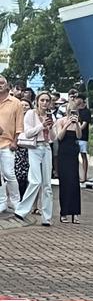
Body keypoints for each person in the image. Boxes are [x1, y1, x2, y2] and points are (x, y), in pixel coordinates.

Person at [15, 92, 55, 225]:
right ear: (37, 101)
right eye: (42, 100)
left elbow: (53, 138)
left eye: (47, 101)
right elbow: (28, 133)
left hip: (46, 147)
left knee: (47, 185)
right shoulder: (31, 114)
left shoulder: (50, 115)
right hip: (34, 147)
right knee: (35, 180)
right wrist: (41, 125)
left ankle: (47, 217)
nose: (44, 103)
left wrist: (50, 127)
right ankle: (21, 210)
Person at [0, 74, 24, 214]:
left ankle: (15, 202)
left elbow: (19, 125)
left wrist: (15, 141)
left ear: (7, 85)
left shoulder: (16, 103)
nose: (0, 84)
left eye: (2, 82)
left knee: (9, 174)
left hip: (8, 144)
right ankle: (2, 202)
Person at [14, 99, 31, 202]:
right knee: (16, 175)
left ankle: (24, 199)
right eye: (22, 105)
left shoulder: (31, 119)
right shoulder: (14, 118)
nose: (24, 107)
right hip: (16, 148)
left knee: (25, 176)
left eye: (26, 105)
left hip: (29, 149)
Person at [75, 95, 91, 182]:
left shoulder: (86, 111)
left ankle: (84, 176)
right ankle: (76, 174)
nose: (76, 100)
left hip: (83, 137)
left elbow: (84, 124)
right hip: (74, 137)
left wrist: (77, 130)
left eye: (78, 98)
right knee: (75, 156)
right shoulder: (76, 111)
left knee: (83, 155)